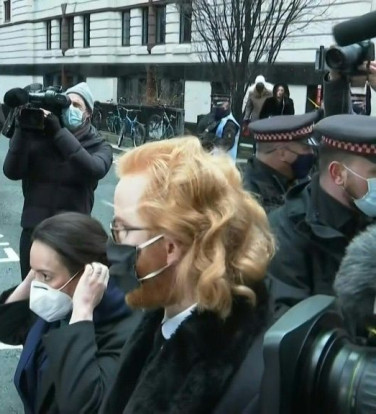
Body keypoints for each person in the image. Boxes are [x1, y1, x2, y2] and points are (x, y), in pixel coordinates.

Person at [100, 137, 274, 414]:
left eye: (122, 229)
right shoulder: (164, 319)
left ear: (170, 246)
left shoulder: (245, 384)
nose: (113, 242)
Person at [0, 213, 137, 413]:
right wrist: (33, 276)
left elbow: (83, 405)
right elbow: (3, 328)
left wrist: (82, 311)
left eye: (46, 276)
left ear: (87, 275)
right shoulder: (56, 306)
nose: (38, 287)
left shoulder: (124, 331)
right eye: (35, 273)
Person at [268, 114, 376, 315]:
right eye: (375, 173)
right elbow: (291, 329)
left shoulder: (368, 215)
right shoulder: (285, 233)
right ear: (338, 174)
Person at [3, 81, 113, 280]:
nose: (71, 109)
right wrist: (23, 129)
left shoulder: (99, 145)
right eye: (68, 104)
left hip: (74, 237)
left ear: (88, 113)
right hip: (34, 233)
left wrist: (59, 133)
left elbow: (93, 169)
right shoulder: (40, 136)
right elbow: (11, 171)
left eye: (77, 106)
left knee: (70, 299)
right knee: (31, 300)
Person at [243, 111, 320, 213]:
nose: (311, 153)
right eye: (306, 148)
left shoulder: (297, 180)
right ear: (283, 153)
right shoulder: (248, 199)